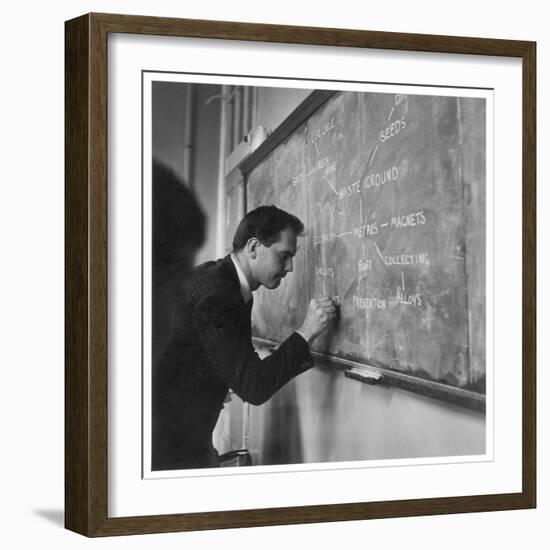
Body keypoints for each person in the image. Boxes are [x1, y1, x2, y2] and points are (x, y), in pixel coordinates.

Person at [152, 204, 336, 470]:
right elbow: (254, 386)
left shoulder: (216, 277)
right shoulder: (219, 295)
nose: (290, 267)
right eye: (284, 256)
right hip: (170, 446)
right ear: (253, 248)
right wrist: (307, 332)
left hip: (173, 434)